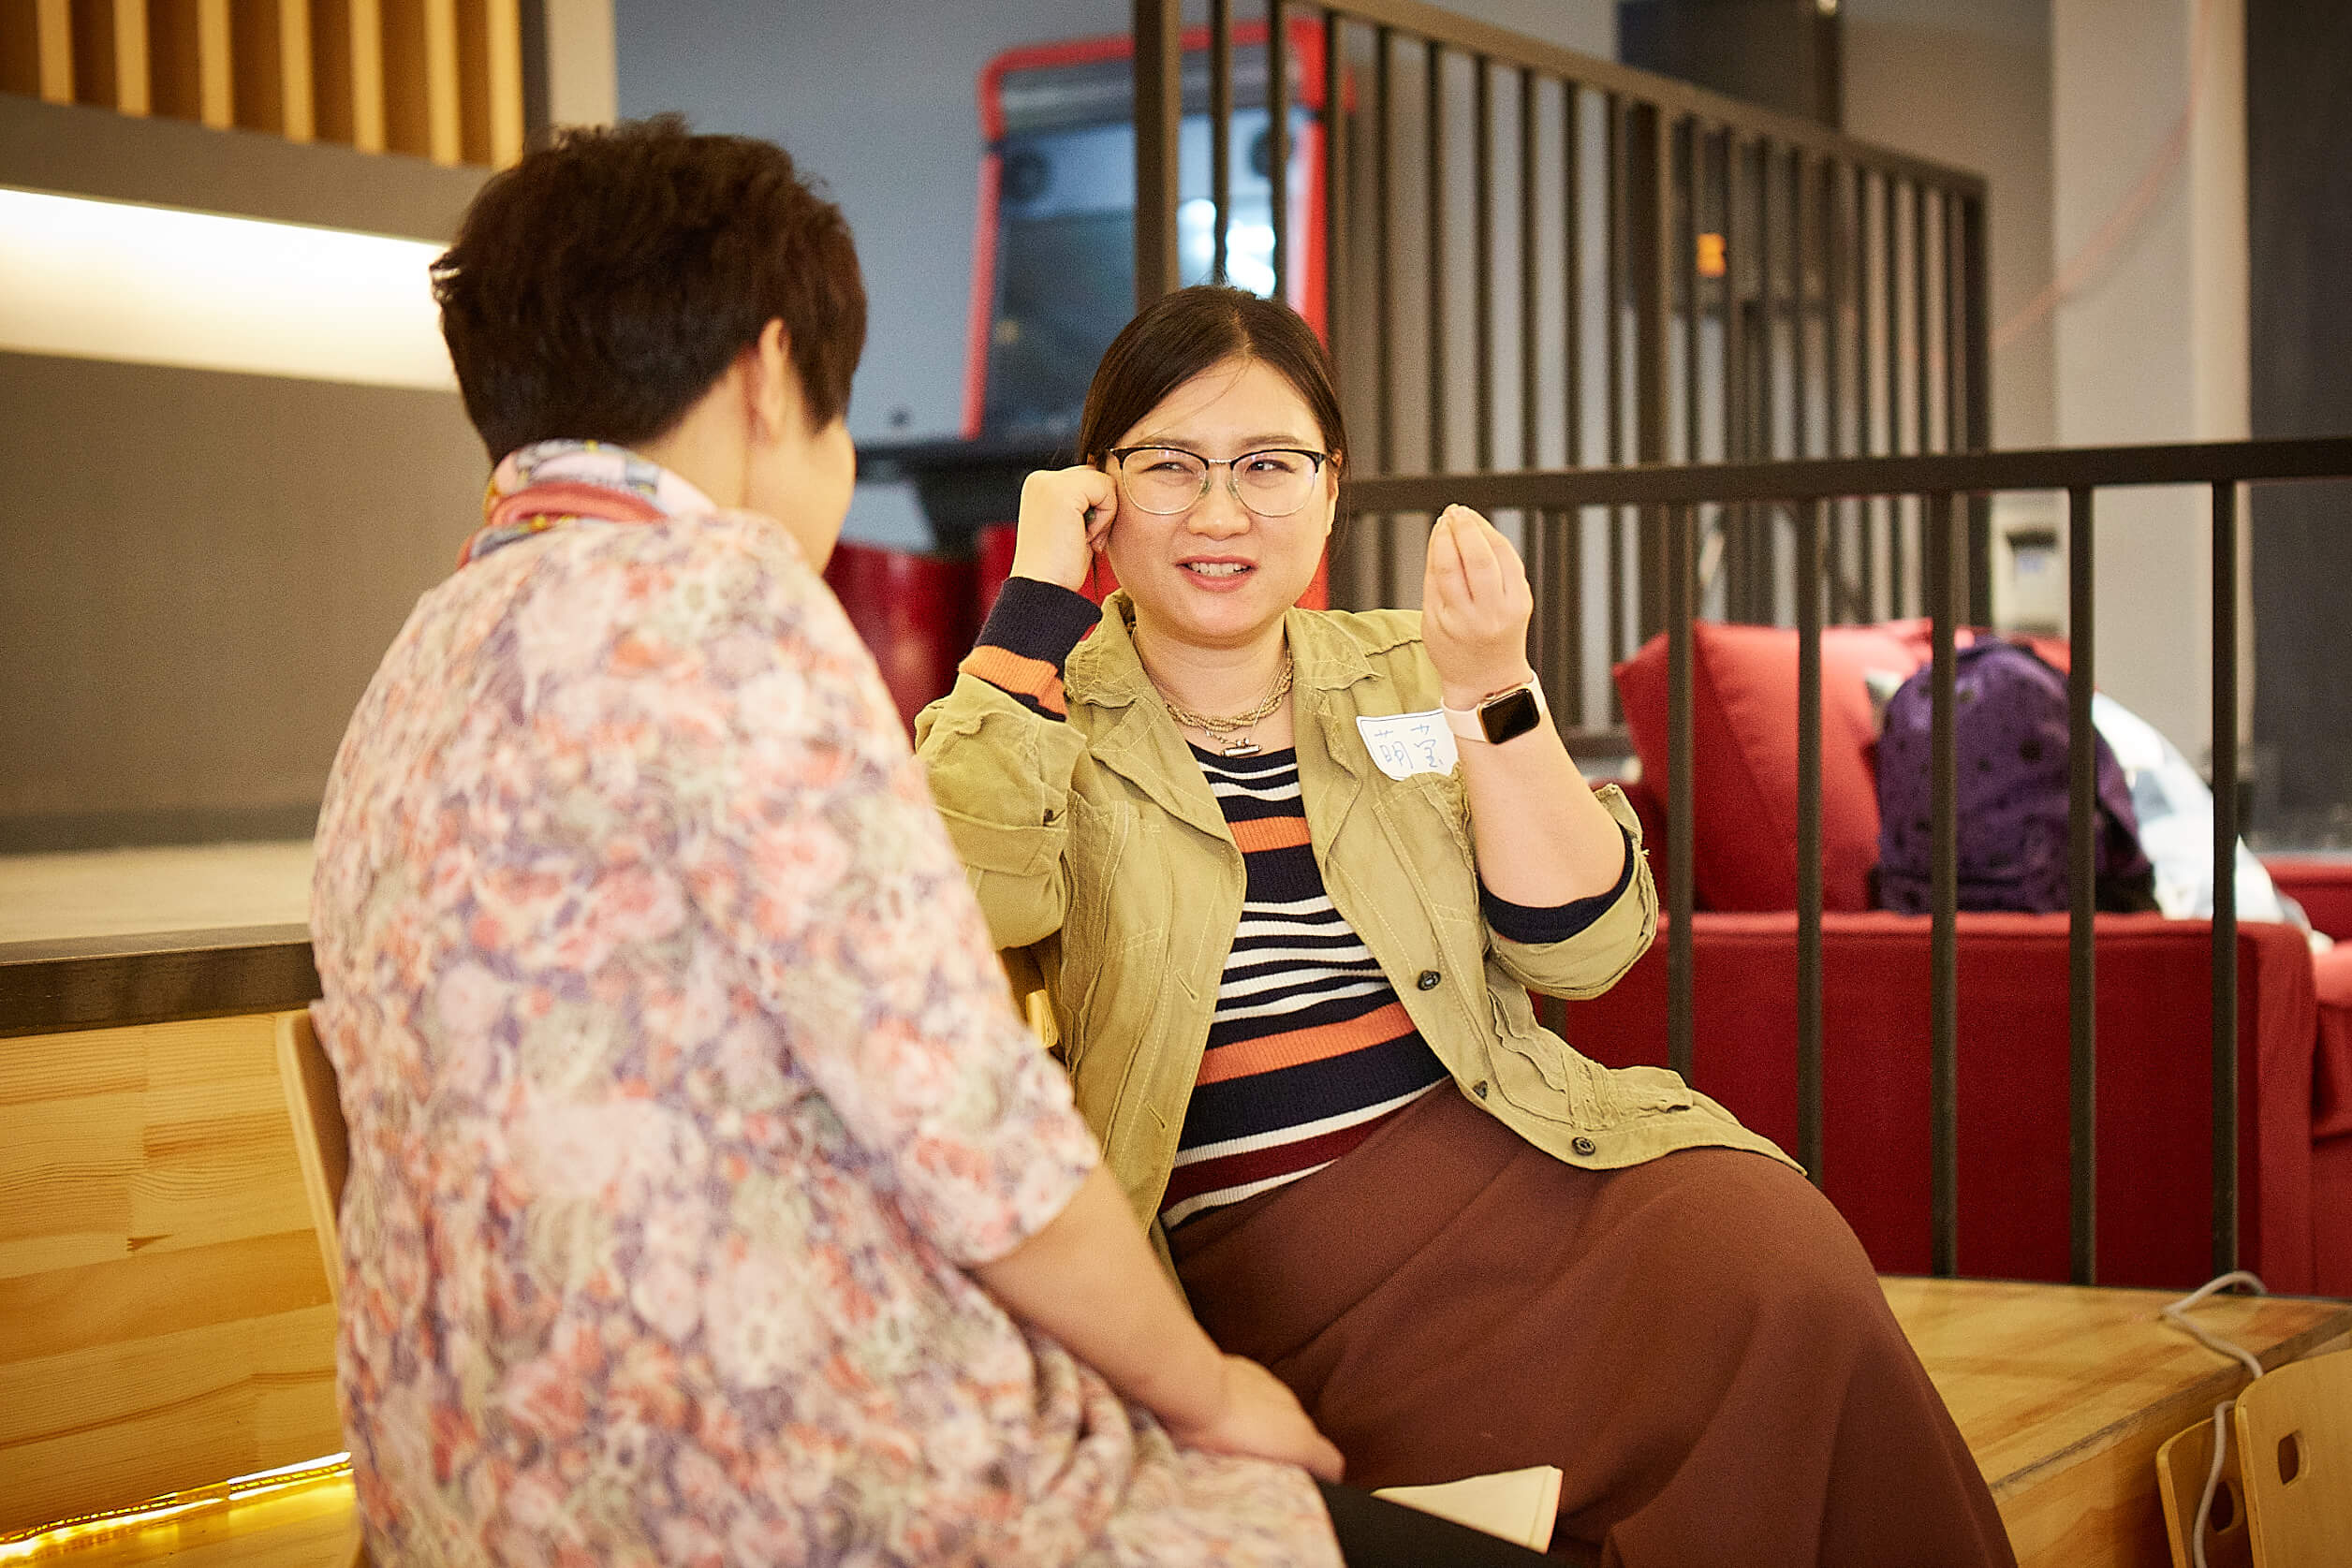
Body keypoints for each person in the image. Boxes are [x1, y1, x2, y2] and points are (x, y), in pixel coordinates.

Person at [308, 118, 1566, 1568]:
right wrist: (1209, 1395)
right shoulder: (727, 611)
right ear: (772, 375)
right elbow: (970, 1127)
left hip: (459, 1494)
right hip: (762, 1480)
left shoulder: (425, 649)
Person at [915, 284, 2018, 1567]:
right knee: (1719, 1333)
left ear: (1331, 486)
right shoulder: (1028, 705)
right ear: (1098, 489)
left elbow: (1583, 948)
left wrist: (1492, 687)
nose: (1220, 513)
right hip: (1267, 1261)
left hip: (1516, 1155)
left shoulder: (1407, 668)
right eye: (1170, 465)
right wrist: (1034, 602)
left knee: (1781, 1267)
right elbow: (942, 925)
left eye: (1268, 465)